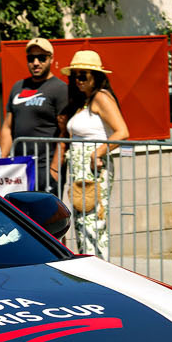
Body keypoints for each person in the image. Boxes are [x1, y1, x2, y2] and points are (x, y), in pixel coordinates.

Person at [59, 51, 129, 257]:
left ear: (96, 76)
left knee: (93, 219)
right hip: (80, 169)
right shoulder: (85, 101)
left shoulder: (101, 97)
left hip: (93, 168)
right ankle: (89, 262)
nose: (78, 80)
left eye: (83, 75)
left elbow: (122, 132)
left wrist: (97, 153)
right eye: (75, 76)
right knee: (82, 219)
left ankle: (98, 264)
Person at [0, 37, 68, 186]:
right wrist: (2, 162)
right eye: (31, 58)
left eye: (42, 58)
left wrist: (55, 169)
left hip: (45, 167)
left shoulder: (60, 89)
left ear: (51, 59)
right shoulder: (18, 87)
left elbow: (65, 133)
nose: (36, 63)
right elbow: (7, 127)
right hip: (18, 167)